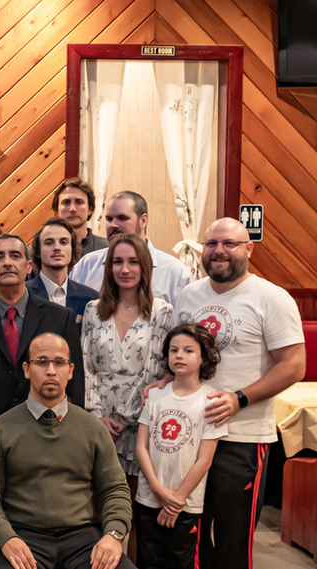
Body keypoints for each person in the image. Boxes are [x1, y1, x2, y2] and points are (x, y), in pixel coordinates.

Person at [167, 217, 306, 569]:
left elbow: (293, 365)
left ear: (248, 249)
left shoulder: (272, 298)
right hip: (191, 434)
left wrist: (239, 398)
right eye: (211, 243)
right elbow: (179, 353)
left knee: (231, 538)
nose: (219, 251)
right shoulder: (189, 295)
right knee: (189, 531)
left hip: (241, 438)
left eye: (229, 243)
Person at [0, 333, 136, 569]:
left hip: (83, 539)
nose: (51, 371)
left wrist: (114, 535)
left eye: (59, 362)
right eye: (41, 362)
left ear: (71, 370)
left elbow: (115, 489)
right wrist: (6, 538)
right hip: (22, 538)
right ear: (26, 369)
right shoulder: (0, 430)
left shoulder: (93, 429)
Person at [0, 233, 84, 433]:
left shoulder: (59, 319)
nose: (7, 263)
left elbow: (75, 386)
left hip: (47, 436)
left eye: (15, 256)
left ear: (28, 266)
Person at [134, 323, 225, 569]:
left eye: (188, 350)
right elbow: (141, 446)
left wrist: (176, 501)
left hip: (185, 504)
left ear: (204, 357)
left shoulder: (210, 401)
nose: (179, 356)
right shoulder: (155, 396)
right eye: (174, 350)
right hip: (148, 499)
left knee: (180, 562)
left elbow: (204, 460)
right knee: (148, 561)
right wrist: (156, 489)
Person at [82, 234, 173, 478]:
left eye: (133, 262)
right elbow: (85, 366)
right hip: (98, 418)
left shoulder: (161, 311)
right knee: (97, 497)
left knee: (134, 500)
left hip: (139, 417)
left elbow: (155, 368)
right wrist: (97, 416)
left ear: (144, 266)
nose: (125, 269)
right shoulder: (93, 309)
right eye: (117, 262)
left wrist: (125, 418)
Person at [70, 191, 192, 306]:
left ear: (143, 221)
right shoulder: (87, 266)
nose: (113, 225)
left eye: (122, 218)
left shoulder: (175, 273)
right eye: (109, 219)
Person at [28, 217, 98, 332]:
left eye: (64, 242)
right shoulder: (23, 295)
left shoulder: (90, 298)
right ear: (38, 251)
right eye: (49, 243)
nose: (57, 248)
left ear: (72, 249)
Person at [52, 177, 109, 256]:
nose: (72, 209)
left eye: (79, 202)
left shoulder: (106, 249)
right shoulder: (40, 250)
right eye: (66, 202)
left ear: (90, 209)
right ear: (57, 210)